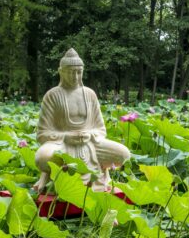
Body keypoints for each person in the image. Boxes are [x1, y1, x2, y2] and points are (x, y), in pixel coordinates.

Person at [33, 48, 130, 192]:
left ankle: (102, 173)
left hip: (90, 144)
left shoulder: (90, 94)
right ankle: (49, 176)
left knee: (124, 155)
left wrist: (89, 135)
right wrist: (66, 137)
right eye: (71, 72)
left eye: (79, 72)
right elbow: (42, 133)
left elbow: (100, 129)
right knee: (42, 157)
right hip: (61, 146)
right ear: (61, 72)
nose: (75, 76)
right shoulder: (52, 95)